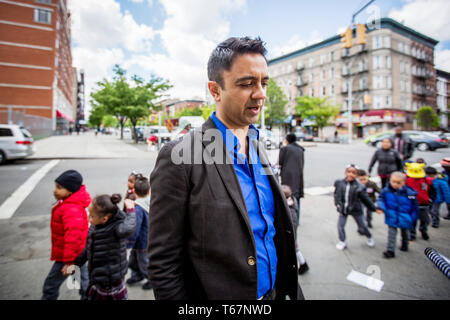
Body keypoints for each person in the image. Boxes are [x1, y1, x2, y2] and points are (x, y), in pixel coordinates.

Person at [148, 37, 302, 300]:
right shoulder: (179, 157)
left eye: (264, 83)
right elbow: (164, 262)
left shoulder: (257, 145)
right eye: (247, 83)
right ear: (215, 90)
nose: (261, 94)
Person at [63, 194, 136, 300]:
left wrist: (130, 210)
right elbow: (88, 249)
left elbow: (129, 228)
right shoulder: (95, 227)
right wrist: (75, 264)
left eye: (92, 216)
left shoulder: (116, 229)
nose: (88, 218)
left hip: (111, 279)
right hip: (97, 276)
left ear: (104, 218)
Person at [41, 170, 90, 300]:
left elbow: (73, 236)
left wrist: (69, 262)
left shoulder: (71, 208)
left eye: (59, 187)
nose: (54, 190)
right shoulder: (70, 203)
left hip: (69, 256)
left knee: (50, 286)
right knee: (85, 282)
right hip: (78, 252)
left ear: (70, 190)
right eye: (55, 186)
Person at [376, 172, 418, 258]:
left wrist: (412, 219)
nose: (395, 184)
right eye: (393, 181)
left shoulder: (409, 193)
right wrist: (381, 207)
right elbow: (380, 199)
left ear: (404, 182)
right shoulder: (386, 190)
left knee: (405, 233)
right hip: (392, 216)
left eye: (398, 183)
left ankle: (405, 244)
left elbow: (414, 207)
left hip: (405, 217)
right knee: (391, 234)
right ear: (390, 180)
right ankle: (390, 250)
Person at [334, 165, 376, 251]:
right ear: (345, 173)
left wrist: (374, 208)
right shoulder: (339, 183)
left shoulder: (360, 186)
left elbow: (366, 199)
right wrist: (337, 204)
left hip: (356, 209)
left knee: (362, 226)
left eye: (354, 173)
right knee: (340, 226)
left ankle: (369, 236)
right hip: (344, 209)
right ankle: (342, 241)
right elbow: (336, 194)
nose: (351, 174)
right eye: (349, 172)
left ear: (356, 175)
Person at [126, 176, 151, 290]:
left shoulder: (138, 209)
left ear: (134, 191)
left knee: (143, 262)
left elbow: (134, 228)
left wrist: (129, 242)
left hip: (141, 241)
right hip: (144, 239)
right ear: (149, 191)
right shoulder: (151, 202)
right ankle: (137, 275)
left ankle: (151, 279)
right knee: (133, 260)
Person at [281, 185, 309, 275]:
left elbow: (291, 226)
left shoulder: (289, 211)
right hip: (292, 234)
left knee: (294, 250)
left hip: (291, 235)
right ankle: (303, 264)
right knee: (295, 249)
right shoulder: (293, 201)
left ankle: (303, 264)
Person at [279, 132, 305, 223]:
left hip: (287, 176)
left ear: (287, 140)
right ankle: (296, 218)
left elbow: (280, 162)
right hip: (298, 176)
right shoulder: (300, 150)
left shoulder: (285, 149)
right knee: (296, 197)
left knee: (287, 196)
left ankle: (288, 218)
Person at [405, 162, 435, 240]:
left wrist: (431, 198)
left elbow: (433, 186)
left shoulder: (426, 180)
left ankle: (423, 230)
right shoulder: (406, 179)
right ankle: (412, 234)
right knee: (412, 220)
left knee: (425, 220)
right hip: (412, 203)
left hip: (424, 203)